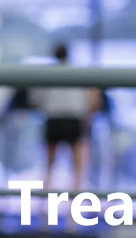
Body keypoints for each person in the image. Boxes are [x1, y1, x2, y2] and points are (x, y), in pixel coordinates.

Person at [32, 43, 101, 190]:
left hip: (54, 119)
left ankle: (45, 206)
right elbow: (93, 98)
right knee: (77, 168)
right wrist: (87, 114)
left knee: (49, 166)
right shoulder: (78, 72)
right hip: (73, 120)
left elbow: (36, 99)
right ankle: (72, 207)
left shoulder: (46, 74)